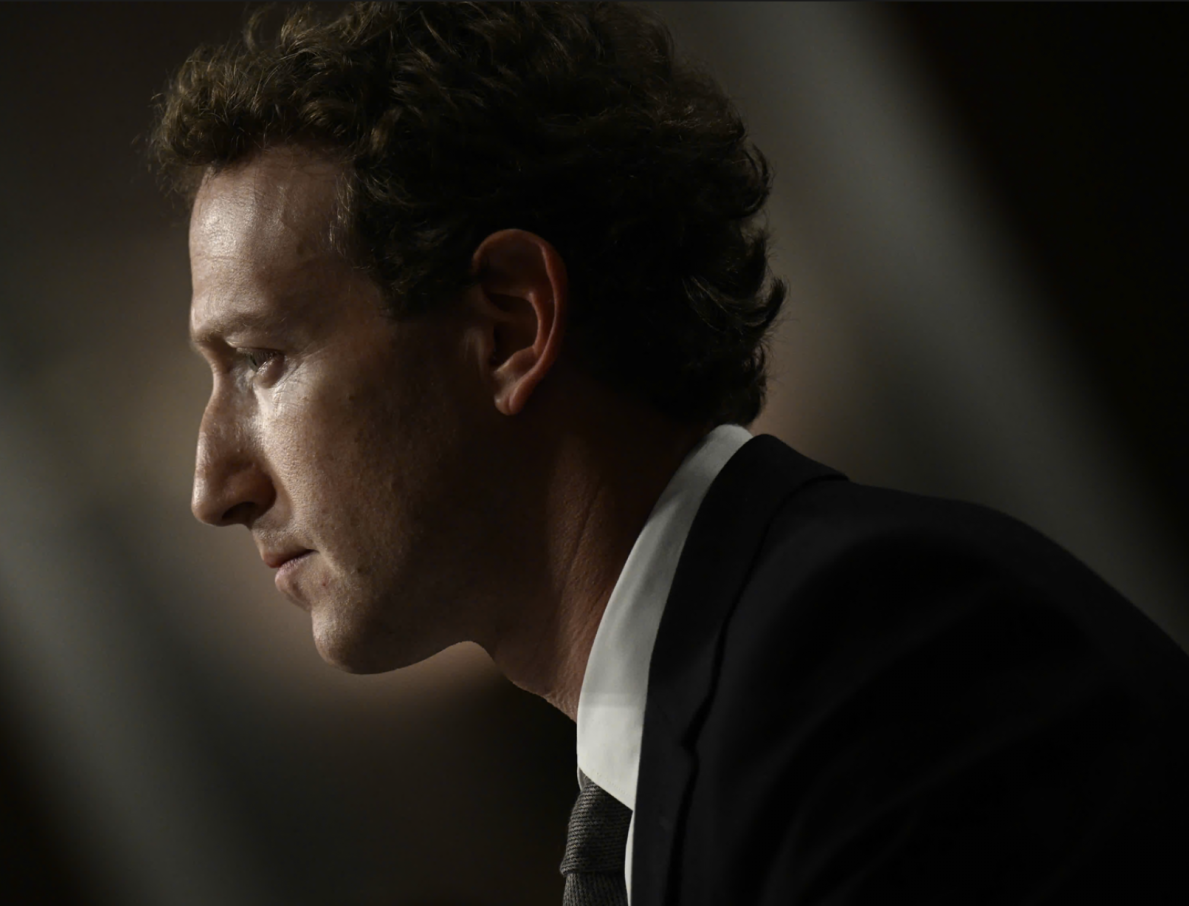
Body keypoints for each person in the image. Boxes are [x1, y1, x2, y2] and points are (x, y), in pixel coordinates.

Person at [151, 3, 1189, 903]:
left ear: (511, 327)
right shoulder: (715, 737)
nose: (215, 487)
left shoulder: (868, 658)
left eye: (261, 360)